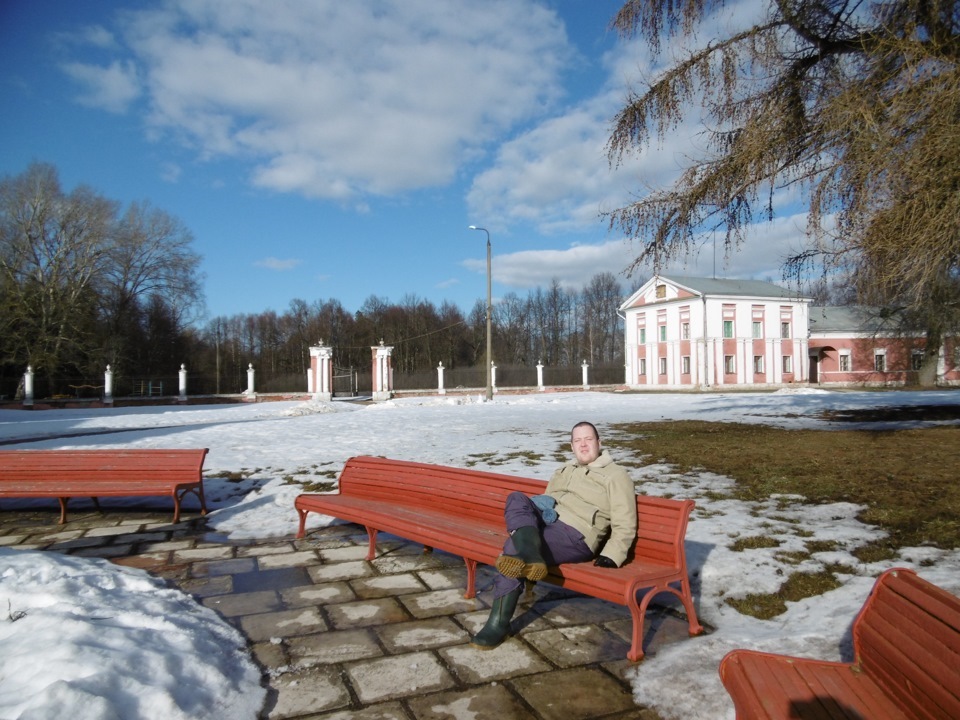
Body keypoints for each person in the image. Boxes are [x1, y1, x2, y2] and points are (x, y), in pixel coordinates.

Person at [471, 420, 638, 649]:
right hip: (550, 525)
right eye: (577, 440)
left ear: (599, 443)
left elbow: (625, 519)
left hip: (576, 535)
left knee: (512, 549)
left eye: (588, 439)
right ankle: (531, 554)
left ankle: (498, 623)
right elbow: (549, 498)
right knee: (516, 497)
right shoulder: (564, 470)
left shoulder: (616, 475)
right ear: (571, 446)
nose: (583, 445)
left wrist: (614, 553)